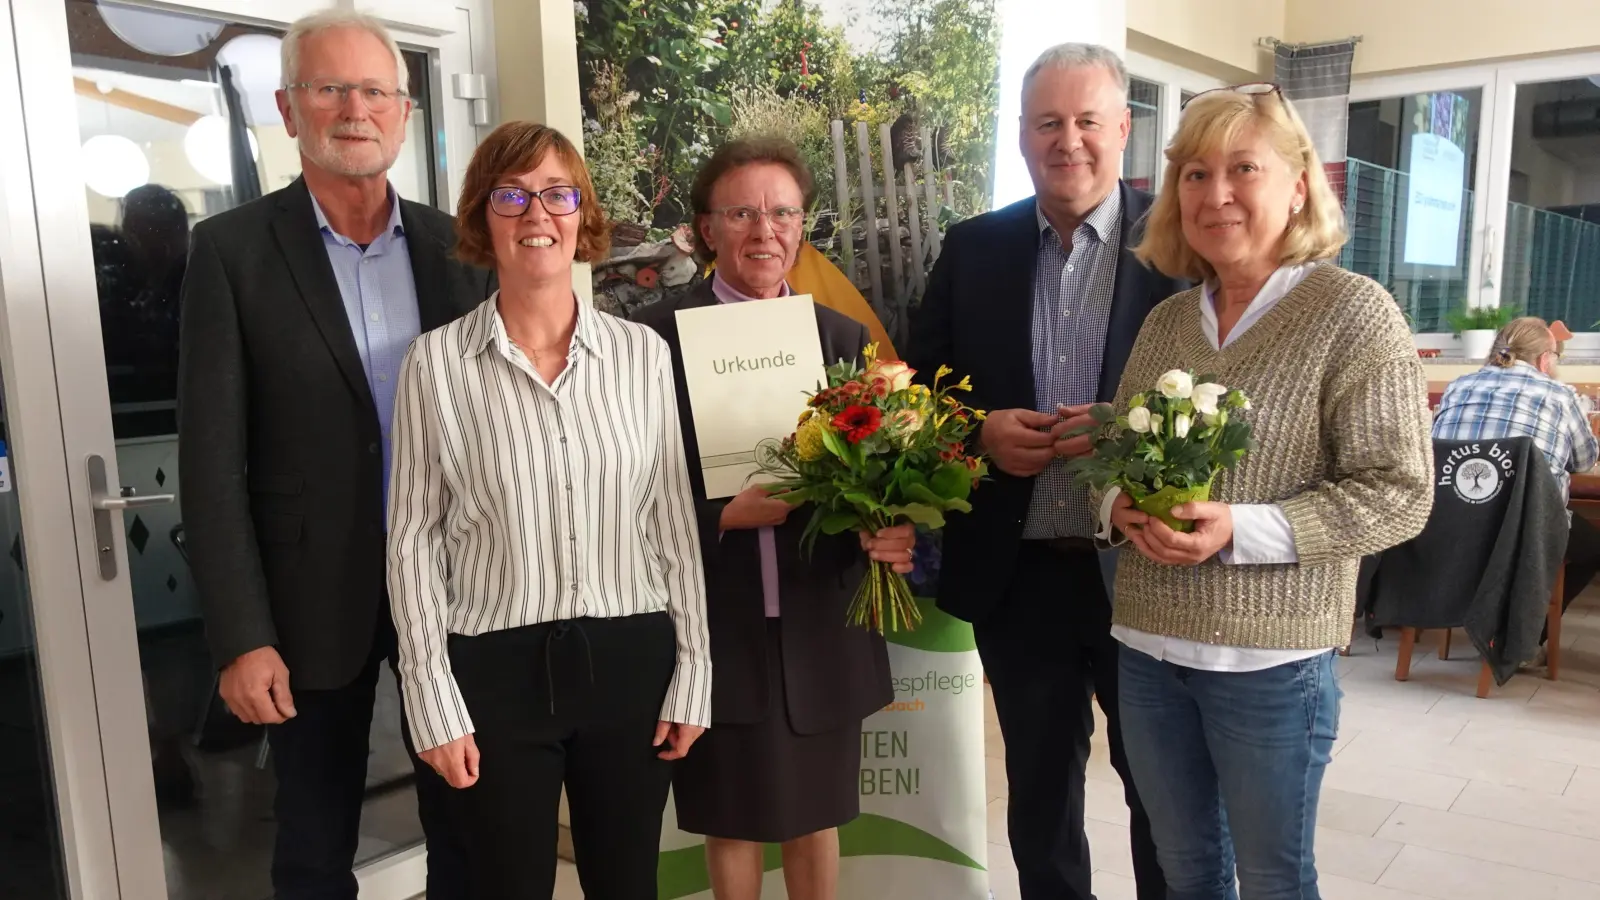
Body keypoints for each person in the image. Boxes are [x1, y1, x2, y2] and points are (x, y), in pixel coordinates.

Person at [176, 11, 491, 899]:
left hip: (456, 587)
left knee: (470, 828)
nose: (356, 109)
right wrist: (243, 636)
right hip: (308, 603)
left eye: (376, 91)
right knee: (314, 848)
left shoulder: (461, 250)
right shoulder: (232, 253)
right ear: (289, 108)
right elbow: (210, 463)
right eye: (330, 88)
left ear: (404, 112)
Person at [1102, 83, 1434, 898]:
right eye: (1194, 174)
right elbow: (1113, 458)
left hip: (1272, 662)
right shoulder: (1167, 323)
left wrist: (1238, 529)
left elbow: (1399, 491)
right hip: (1148, 650)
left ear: (1298, 185)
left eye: (1242, 169)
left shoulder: (1353, 313)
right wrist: (1116, 507)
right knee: (1185, 873)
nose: (1215, 194)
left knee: (1274, 878)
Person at [387, 120, 711, 900]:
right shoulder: (435, 364)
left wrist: (695, 670)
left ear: (582, 214)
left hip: (630, 662)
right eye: (511, 195)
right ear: (483, 217)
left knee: (627, 886)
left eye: (558, 194)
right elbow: (412, 540)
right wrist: (430, 697)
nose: (537, 214)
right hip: (493, 675)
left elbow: (670, 522)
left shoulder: (641, 356)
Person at [907, 43, 1183, 900]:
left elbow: (1221, 393)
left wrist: (1129, 439)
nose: (1068, 141)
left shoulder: (1180, 246)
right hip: (1018, 571)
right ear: (1022, 135)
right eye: (1047, 123)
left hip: (1144, 571)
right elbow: (919, 391)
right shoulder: (974, 247)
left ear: (1123, 129)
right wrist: (977, 433)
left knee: (1164, 793)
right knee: (1039, 796)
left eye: (1087, 120)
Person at [634, 137, 916, 900]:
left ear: (801, 225)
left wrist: (892, 525)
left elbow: (881, 478)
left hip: (820, 618)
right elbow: (623, 490)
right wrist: (722, 517)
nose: (765, 231)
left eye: (782, 213)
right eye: (742, 214)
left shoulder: (842, 340)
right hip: (716, 621)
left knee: (816, 818)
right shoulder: (652, 343)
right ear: (705, 229)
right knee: (729, 820)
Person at [1432, 316, 1600, 662]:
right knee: (1593, 549)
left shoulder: (1458, 387)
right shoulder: (1560, 396)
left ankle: (1471, 619)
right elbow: (1585, 461)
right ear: (1545, 359)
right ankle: (1523, 639)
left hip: (1448, 528)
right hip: (1525, 535)